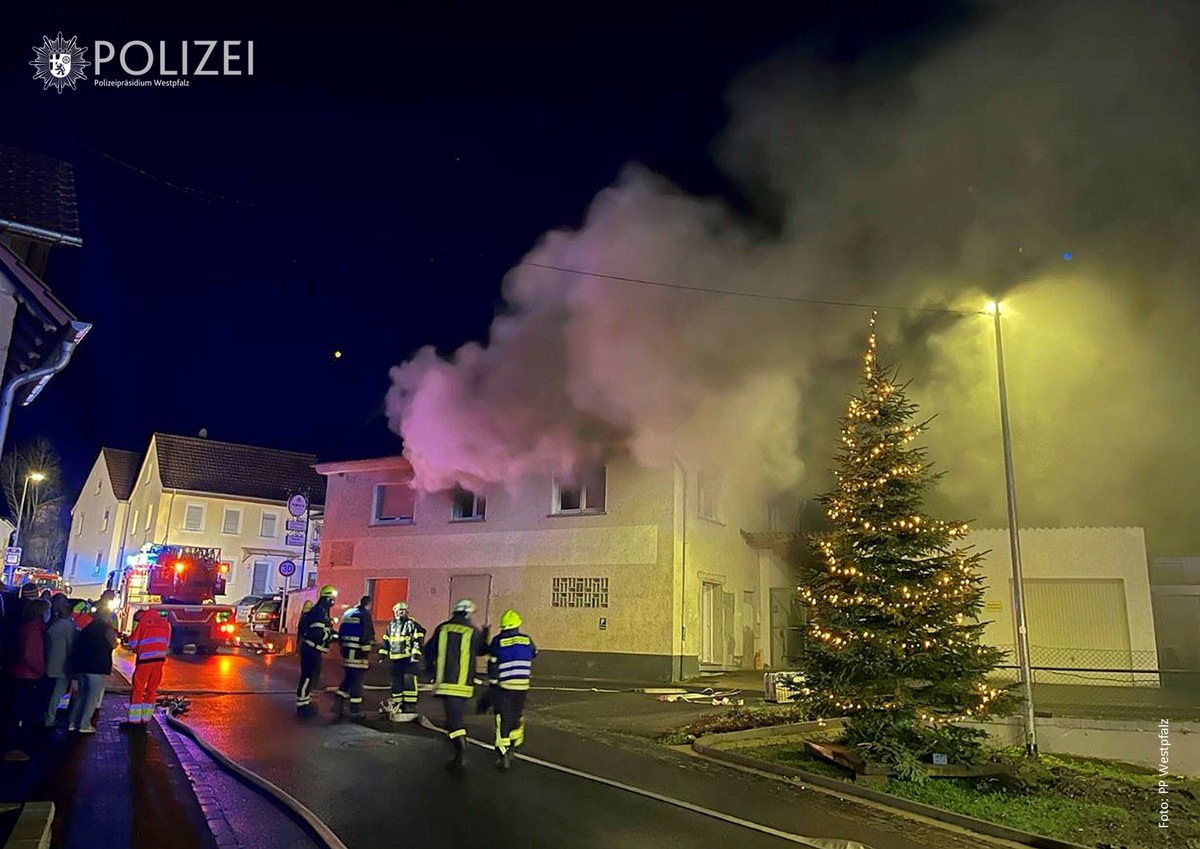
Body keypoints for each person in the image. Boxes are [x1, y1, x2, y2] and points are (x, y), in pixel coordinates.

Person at [423, 599, 485, 769]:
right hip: (464, 684)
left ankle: (459, 748)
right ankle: (457, 745)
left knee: (453, 720)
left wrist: (431, 669)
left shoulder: (442, 628)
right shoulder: (473, 631)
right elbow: (481, 650)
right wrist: (485, 634)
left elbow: (428, 650)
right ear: (467, 613)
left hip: (445, 682)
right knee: (455, 717)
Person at [488, 608, 537, 771]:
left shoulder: (498, 640)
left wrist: (493, 682)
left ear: (503, 626)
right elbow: (534, 653)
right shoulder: (527, 640)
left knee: (502, 717)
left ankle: (503, 750)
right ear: (518, 624)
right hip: (522, 686)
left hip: (505, 686)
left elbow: (493, 662)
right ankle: (515, 743)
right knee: (516, 714)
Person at [3, 598, 48, 761]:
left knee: (19, 710)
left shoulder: (28, 627)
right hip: (28, 676)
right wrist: (41, 669)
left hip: (23, 674)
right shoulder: (33, 630)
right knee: (21, 712)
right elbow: (30, 654)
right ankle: (15, 748)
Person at [68, 607, 117, 734]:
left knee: (81, 695)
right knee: (92, 697)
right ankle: (85, 724)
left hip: (83, 666)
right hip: (97, 667)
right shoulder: (107, 629)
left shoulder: (87, 628)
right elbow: (114, 644)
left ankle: (72, 722)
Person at [125, 609, 171, 726]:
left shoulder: (144, 622)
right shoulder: (165, 623)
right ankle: (146, 718)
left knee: (138, 689)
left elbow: (133, 643)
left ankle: (134, 720)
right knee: (152, 689)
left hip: (145, 660)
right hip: (160, 660)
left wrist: (133, 646)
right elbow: (167, 642)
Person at [378, 601, 425, 717]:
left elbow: (418, 641)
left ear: (406, 612)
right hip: (395, 660)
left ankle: (410, 706)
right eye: (398, 611)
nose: (400, 613)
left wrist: (415, 655)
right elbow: (386, 642)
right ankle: (398, 704)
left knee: (409, 683)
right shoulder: (391, 626)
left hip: (408, 660)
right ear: (394, 612)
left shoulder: (412, 625)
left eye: (402, 611)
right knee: (396, 684)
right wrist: (382, 655)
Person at [296, 587, 337, 717]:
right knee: (308, 676)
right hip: (311, 649)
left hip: (313, 649)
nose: (333, 601)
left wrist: (334, 634)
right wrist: (331, 636)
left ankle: (306, 701)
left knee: (312, 676)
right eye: (332, 599)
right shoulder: (320, 612)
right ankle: (302, 705)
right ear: (327, 598)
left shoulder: (322, 611)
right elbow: (317, 633)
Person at [334, 596, 374, 719]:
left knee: (349, 678)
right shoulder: (364, 615)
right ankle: (355, 710)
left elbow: (341, 632)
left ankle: (338, 703)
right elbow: (366, 634)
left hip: (346, 651)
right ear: (369, 604)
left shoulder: (348, 613)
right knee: (357, 681)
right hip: (358, 653)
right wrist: (366, 653)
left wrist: (342, 647)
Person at [43, 595, 76, 728]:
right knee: (57, 695)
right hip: (63, 666)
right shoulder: (69, 626)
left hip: (50, 664)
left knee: (50, 694)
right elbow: (71, 647)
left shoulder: (52, 625)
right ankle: (50, 719)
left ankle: (46, 717)